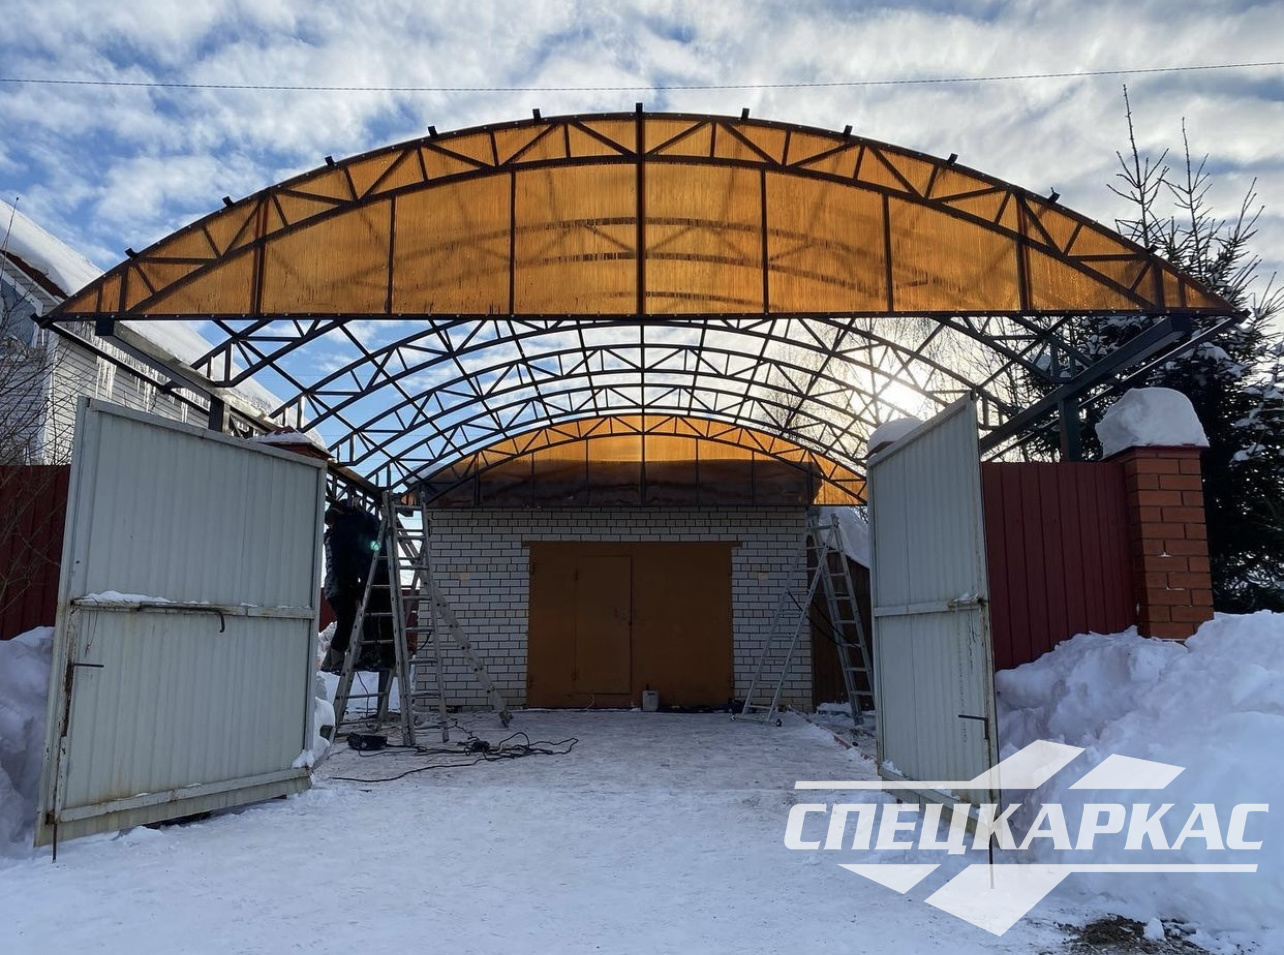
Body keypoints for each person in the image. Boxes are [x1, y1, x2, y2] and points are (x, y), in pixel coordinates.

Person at [321, 500, 376, 673]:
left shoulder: (331, 537)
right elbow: (341, 563)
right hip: (339, 586)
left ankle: (329, 662)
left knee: (346, 622)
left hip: (334, 587)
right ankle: (336, 662)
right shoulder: (337, 537)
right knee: (347, 623)